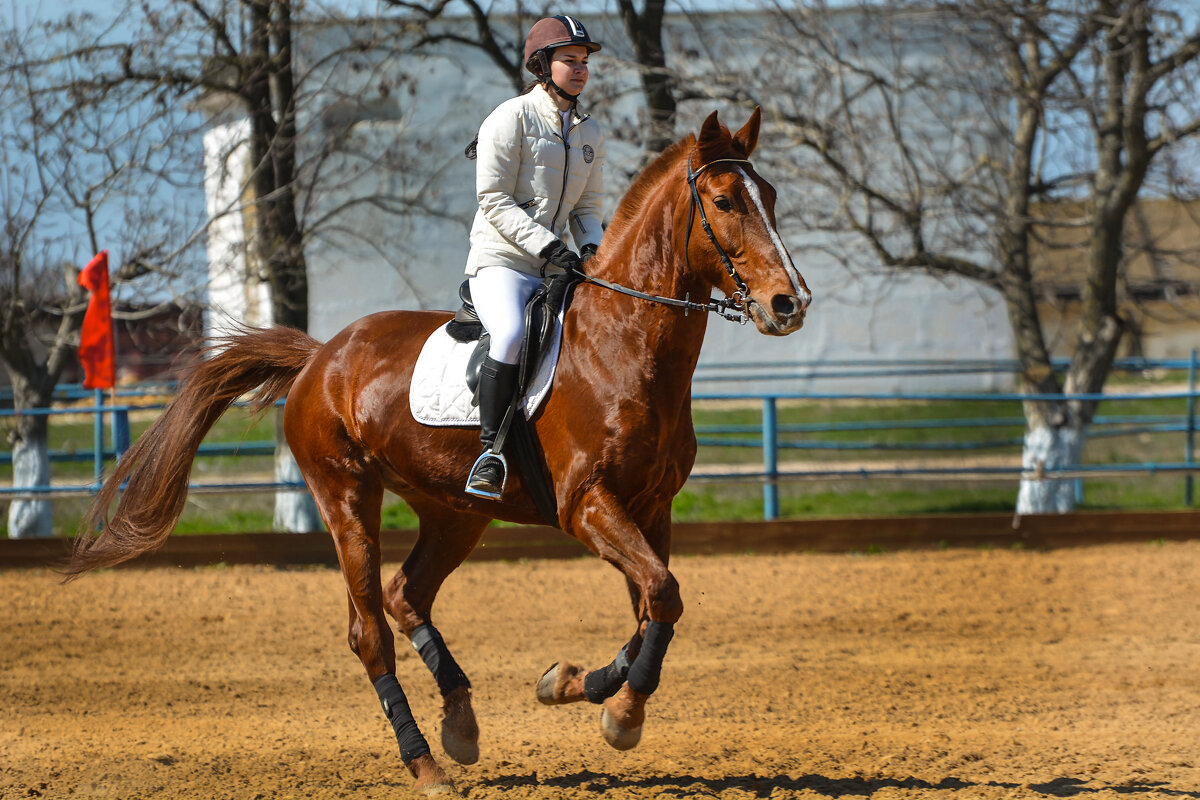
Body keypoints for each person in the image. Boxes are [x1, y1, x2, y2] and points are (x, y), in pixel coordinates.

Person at [463, 14, 606, 499]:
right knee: (511, 333)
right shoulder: (510, 117)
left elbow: (587, 208)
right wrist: (548, 246)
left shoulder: (590, 133)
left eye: (585, 62)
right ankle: (491, 452)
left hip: (557, 265)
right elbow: (493, 199)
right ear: (543, 64)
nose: (580, 69)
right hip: (501, 262)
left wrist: (591, 249)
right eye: (570, 60)